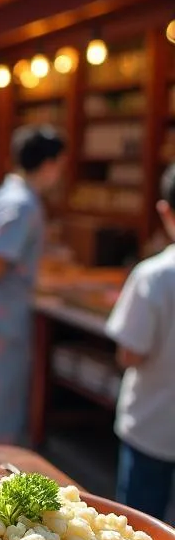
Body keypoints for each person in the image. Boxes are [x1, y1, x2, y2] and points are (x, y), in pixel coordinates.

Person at [0, 125, 66, 443]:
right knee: (1, 396)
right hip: (4, 312)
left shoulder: (4, 195)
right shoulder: (23, 204)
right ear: (49, 164)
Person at [106, 163, 175, 519]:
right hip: (154, 424)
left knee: (142, 535)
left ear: (165, 211)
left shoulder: (154, 275)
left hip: (152, 423)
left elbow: (130, 352)